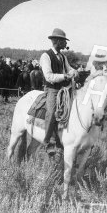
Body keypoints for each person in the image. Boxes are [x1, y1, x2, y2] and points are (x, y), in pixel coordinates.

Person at [39, 28, 78, 157]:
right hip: (52, 89)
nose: (64, 43)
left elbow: (69, 69)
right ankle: (48, 142)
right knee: (51, 112)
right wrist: (65, 76)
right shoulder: (46, 56)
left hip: (64, 90)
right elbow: (49, 76)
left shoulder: (62, 56)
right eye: (63, 41)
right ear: (56, 41)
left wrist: (74, 72)